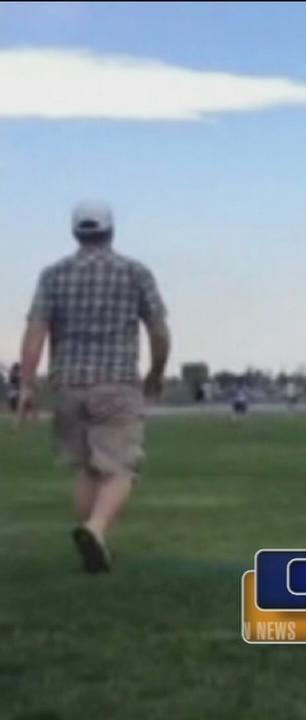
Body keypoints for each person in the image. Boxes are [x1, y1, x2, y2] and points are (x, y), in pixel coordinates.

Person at [16, 201, 170, 573]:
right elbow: (158, 331)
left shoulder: (53, 275)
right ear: (110, 230)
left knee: (87, 467)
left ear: (76, 232)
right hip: (117, 382)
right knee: (121, 467)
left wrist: (27, 385)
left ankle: (94, 544)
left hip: (68, 384)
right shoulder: (135, 272)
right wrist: (156, 371)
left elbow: (35, 332)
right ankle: (96, 529)